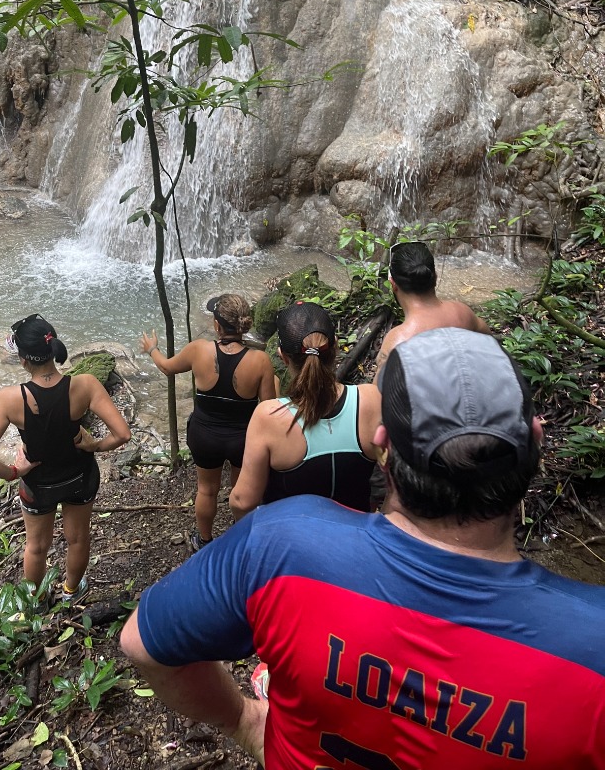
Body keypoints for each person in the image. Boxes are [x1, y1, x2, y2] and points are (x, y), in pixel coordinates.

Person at [121, 328, 605, 769]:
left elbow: (141, 644)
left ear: (383, 444)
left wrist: (244, 722)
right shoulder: (591, 644)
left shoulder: (281, 544)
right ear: (537, 441)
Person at [0, 313, 131, 601]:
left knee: (36, 546)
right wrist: (94, 445)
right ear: (53, 347)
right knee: (78, 538)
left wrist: (14, 472)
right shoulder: (84, 385)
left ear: (23, 360)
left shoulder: (9, 399)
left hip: (38, 484)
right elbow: (122, 434)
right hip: (80, 477)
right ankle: (71, 591)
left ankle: (37, 602)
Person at [140, 294, 275, 550]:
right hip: (242, 438)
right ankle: (241, 541)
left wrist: (152, 349)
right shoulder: (260, 361)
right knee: (242, 491)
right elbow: (268, 409)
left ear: (217, 325)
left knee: (206, 490)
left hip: (204, 436)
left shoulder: (198, 349)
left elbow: (167, 368)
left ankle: (203, 540)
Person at [229, 301, 382, 518]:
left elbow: (242, 501)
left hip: (293, 545)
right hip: (354, 542)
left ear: (282, 356)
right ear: (335, 346)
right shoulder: (370, 399)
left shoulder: (269, 416)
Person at [374, 240, 491, 382]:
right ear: (435, 277)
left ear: (393, 285)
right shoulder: (463, 312)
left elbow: (379, 396)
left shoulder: (396, 341)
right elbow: (489, 343)